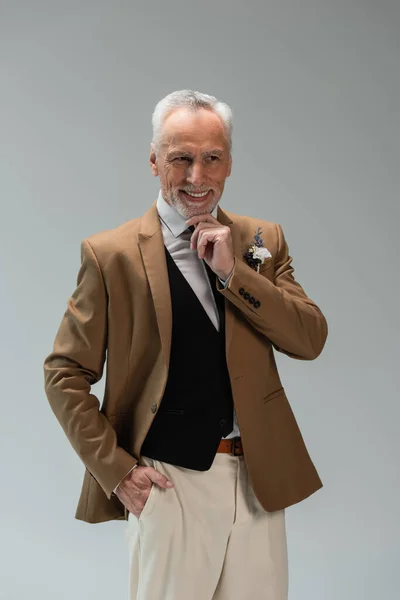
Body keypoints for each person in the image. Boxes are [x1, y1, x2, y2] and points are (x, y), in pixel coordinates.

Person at [43, 89, 328, 600]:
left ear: (229, 164)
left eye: (211, 159)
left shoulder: (263, 240)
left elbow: (309, 339)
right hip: (170, 482)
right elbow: (64, 372)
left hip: (258, 480)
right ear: (154, 161)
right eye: (181, 158)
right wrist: (118, 471)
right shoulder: (111, 256)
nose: (197, 177)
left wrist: (236, 273)